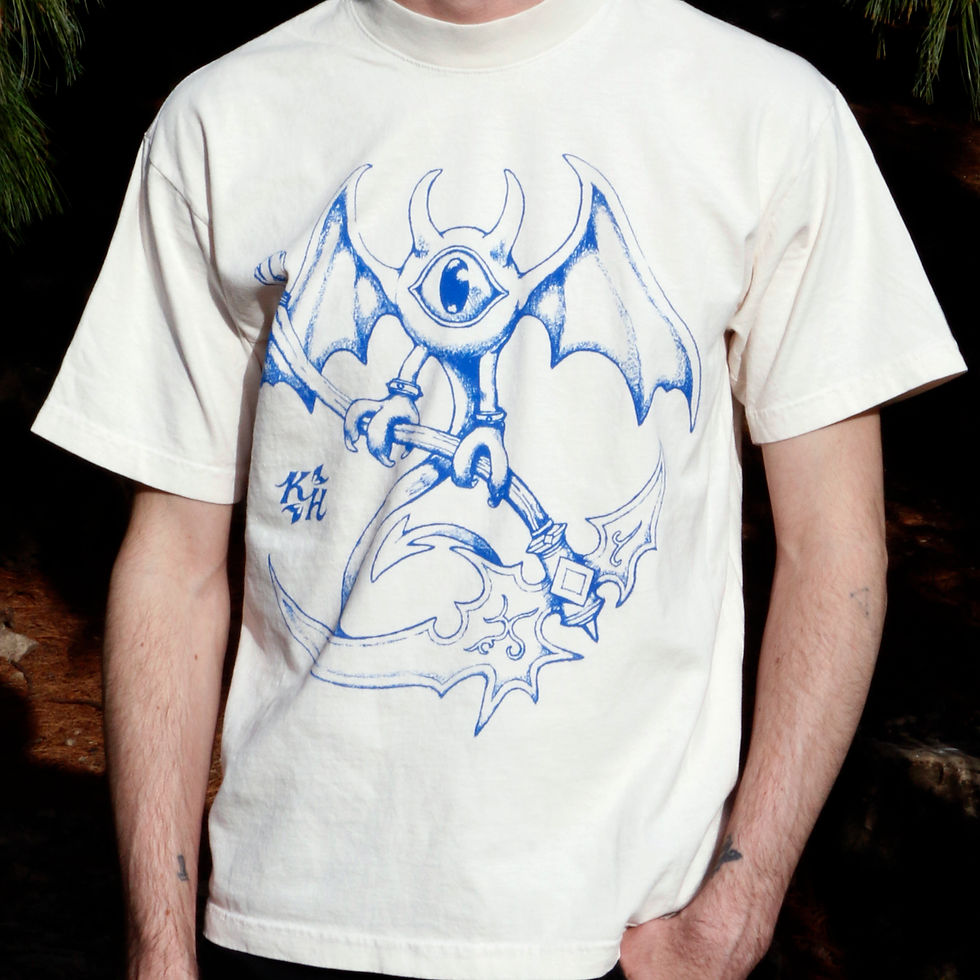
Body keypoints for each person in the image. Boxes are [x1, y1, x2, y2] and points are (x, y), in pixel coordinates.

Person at [33, 0, 965, 977]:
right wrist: (160, 945)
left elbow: (834, 547)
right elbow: (172, 562)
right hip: (286, 920)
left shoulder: (762, 111)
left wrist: (740, 901)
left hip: (616, 934)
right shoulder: (226, 117)